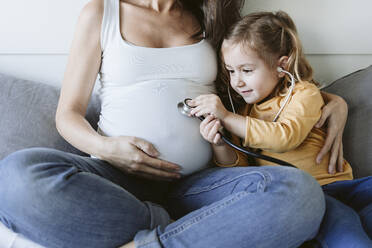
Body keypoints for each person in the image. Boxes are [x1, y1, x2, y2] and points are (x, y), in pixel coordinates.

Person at [0, 1, 347, 247]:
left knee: (299, 194)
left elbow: (264, 76)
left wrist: (335, 100)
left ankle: (156, 242)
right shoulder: (101, 12)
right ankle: (184, 232)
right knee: (14, 176)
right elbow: (68, 115)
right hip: (115, 182)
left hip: (201, 186)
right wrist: (109, 149)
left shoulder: (212, 15)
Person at [189, 10, 372, 248]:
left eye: (247, 70)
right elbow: (241, 169)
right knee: (348, 235)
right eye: (231, 71)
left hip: (344, 186)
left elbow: (287, 136)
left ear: (281, 65)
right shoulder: (243, 115)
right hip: (314, 197)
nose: (237, 81)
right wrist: (220, 144)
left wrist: (226, 116)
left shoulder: (304, 93)